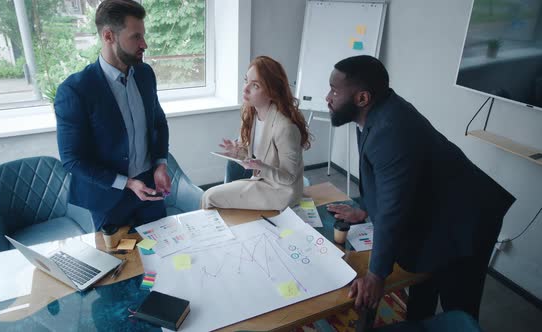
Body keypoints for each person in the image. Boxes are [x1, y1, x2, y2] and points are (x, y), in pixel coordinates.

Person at [324, 55, 515, 320]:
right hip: (437, 209)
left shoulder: (391, 129)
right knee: (423, 283)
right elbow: (382, 179)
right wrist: (365, 209)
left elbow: (393, 207)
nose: (327, 97)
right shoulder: (373, 114)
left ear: (362, 98)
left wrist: (376, 274)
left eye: (334, 90)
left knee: (459, 304)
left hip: (468, 217)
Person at [54, 0, 170, 231]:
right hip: (108, 198)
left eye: (143, 36)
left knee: (164, 256)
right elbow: (72, 159)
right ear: (109, 36)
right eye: (136, 37)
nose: (144, 44)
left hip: (150, 190)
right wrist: (126, 183)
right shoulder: (75, 90)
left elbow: (158, 122)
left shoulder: (145, 74)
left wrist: (160, 164)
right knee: (120, 265)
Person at [201, 56, 311, 210]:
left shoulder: (285, 128)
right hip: (261, 180)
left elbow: (289, 178)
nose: (245, 89)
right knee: (210, 196)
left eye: (255, 86)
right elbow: (251, 156)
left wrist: (262, 167)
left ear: (272, 92)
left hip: (281, 191)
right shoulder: (251, 113)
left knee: (210, 196)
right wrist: (237, 152)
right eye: (246, 81)